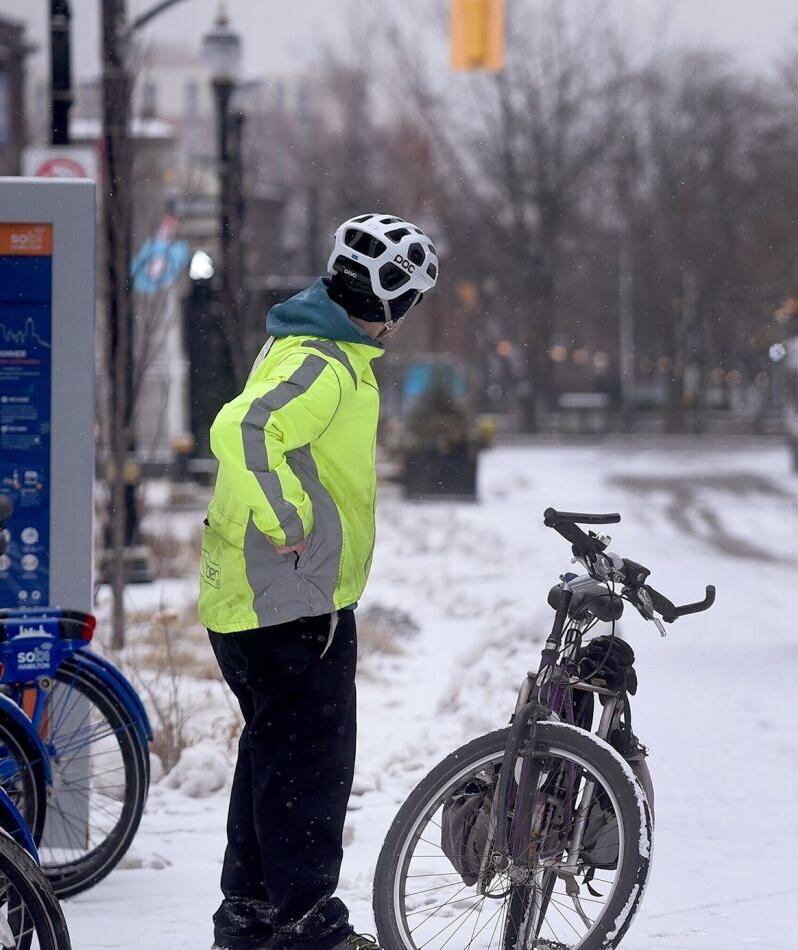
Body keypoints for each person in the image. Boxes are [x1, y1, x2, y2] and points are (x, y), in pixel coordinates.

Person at [199, 214, 438, 950]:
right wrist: (289, 520)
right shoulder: (325, 364)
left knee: (271, 760)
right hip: (291, 604)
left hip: (257, 601)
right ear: (394, 302)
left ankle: (249, 919)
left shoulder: (301, 341)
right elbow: (243, 431)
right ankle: (310, 929)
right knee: (310, 770)